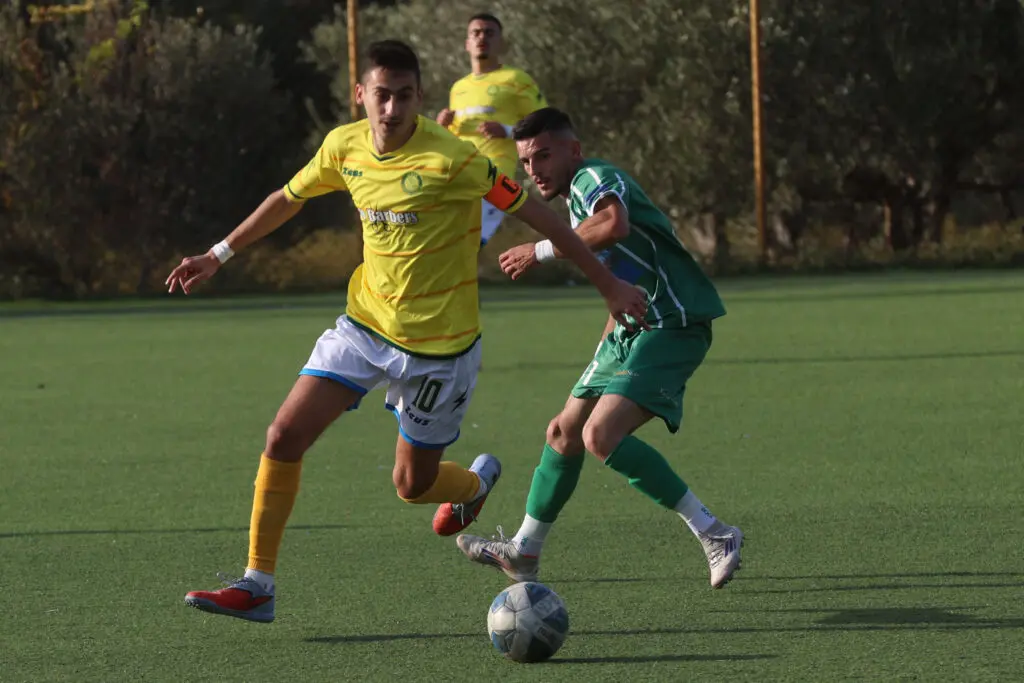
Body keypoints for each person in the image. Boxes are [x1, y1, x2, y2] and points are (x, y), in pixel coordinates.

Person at [166, 44, 648, 624]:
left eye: (404, 96)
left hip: (440, 352)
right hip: (365, 325)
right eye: (382, 95)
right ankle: (258, 584)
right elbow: (286, 200)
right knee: (282, 436)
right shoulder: (343, 146)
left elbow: (542, 217)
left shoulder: (455, 159)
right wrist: (218, 254)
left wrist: (608, 286)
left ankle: (471, 487)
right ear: (361, 95)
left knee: (412, 485)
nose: (392, 108)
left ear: (420, 97)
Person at [456, 107, 744, 589]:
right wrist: (605, 346)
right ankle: (524, 550)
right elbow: (621, 273)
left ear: (574, 150)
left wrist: (540, 250)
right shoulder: (573, 203)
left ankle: (715, 533)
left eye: (543, 156)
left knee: (600, 435)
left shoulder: (594, 177)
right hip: (631, 328)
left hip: (674, 320)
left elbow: (614, 223)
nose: (534, 170)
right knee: (563, 432)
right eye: (525, 162)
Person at [436, 12, 547, 249]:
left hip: (495, 177)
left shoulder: (516, 79)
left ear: (501, 42)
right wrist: (441, 128)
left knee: (466, 244)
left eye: (489, 32)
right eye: (475, 33)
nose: (482, 37)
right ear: (467, 43)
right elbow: (454, 139)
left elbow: (545, 124)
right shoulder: (459, 87)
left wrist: (507, 130)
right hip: (460, 174)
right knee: (451, 246)